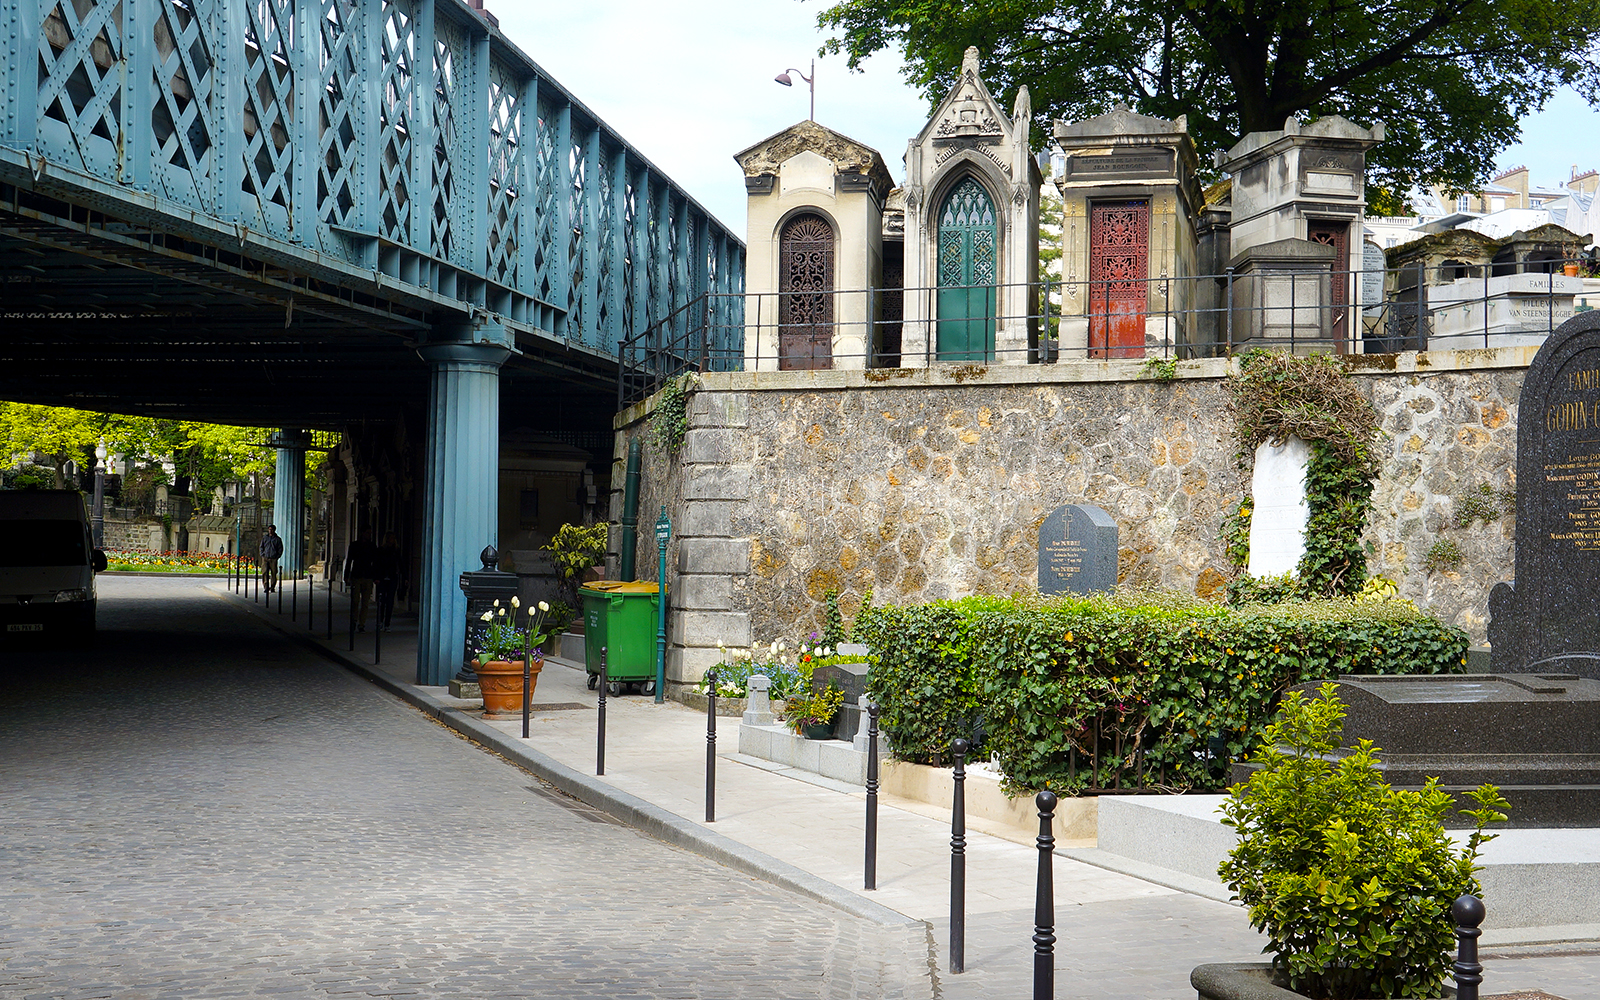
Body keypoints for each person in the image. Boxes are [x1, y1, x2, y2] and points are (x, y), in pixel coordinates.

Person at [345, 533, 379, 632]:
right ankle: (354, 620)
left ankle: (361, 624)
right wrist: (346, 575)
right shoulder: (355, 545)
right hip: (357, 575)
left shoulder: (372, 546)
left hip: (368, 576)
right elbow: (349, 560)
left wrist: (375, 576)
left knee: (365, 602)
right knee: (355, 601)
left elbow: (375, 562)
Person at [373, 531, 404, 632]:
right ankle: (381, 621)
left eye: (393, 538)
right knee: (382, 601)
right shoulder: (380, 550)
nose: (392, 540)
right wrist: (376, 578)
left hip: (392, 577)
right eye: (391, 538)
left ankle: (387, 623)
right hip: (382, 578)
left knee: (390, 601)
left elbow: (401, 564)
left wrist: (405, 577)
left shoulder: (396, 551)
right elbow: (376, 564)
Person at [259, 524, 284, 593]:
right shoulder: (265, 538)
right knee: (265, 572)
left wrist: (277, 556)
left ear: (274, 530)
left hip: (273, 558)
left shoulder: (277, 539)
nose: (270, 531)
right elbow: (261, 547)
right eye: (269, 529)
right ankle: (266, 587)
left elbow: (280, 549)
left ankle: (272, 586)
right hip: (265, 558)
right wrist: (262, 554)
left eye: (271, 529)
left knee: (273, 573)